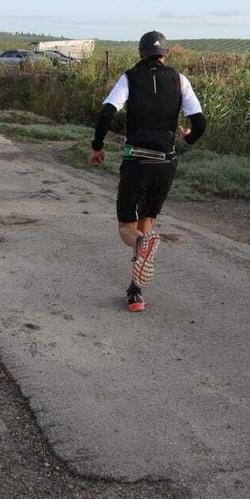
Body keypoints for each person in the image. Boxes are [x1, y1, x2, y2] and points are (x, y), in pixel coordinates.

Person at [88, 31, 206, 312]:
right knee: (147, 223)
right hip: (165, 163)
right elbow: (200, 123)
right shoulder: (180, 79)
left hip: (136, 161)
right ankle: (135, 292)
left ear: (140, 54)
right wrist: (188, 138)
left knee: (127, 230)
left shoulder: (129, 77)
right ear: (165, 54)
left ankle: (141, 248)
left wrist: (97, 146)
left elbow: (107, 112)